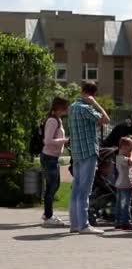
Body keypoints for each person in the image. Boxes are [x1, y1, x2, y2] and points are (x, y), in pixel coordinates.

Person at [68, 81, 110, 234]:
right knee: (85, 190)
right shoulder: (86, 108)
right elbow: (106, 119)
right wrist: (95, 103)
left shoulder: (72, 107)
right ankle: (84, 225)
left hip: (77, 153)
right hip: (88, 152)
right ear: (94, 94)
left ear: (81, 90)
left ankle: (74, 223)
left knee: (76, 189)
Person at [40, 97, 70, 227]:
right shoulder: (52, 121)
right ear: (60, 107)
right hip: (49, 157)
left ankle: (48, 213)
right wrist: (65, 140)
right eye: (66, 107)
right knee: (51, 187)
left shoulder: (58, 120)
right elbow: (47, 141)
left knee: (55, 185)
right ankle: (48, 216)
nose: (68, 109)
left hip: (53, 157)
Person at [114, 137, 132, 231]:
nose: (131, 152)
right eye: (129, 149)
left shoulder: (121, 158)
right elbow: (131, 161)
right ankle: (125, 222)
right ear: (123, 148)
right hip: (124, 185)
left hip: (123, 184)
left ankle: (119, 221)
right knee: (125, 204)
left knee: (120, 203)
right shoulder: (121, 158)